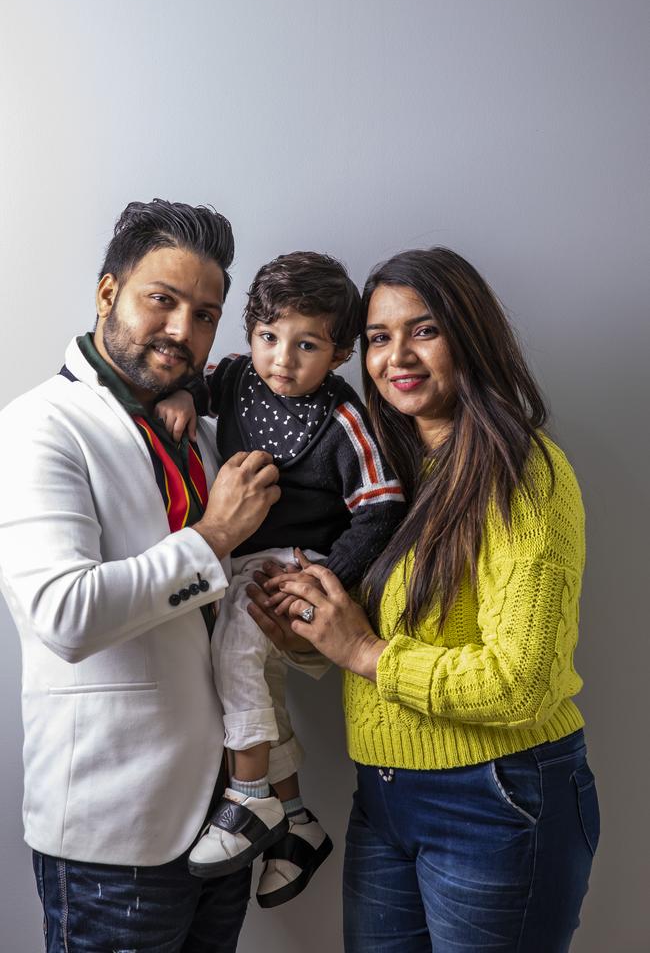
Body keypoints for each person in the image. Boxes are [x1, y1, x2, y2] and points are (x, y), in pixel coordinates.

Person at [249, 247, 600, 953]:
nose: (395, 356)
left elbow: (519, 681)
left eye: (424, 330)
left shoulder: (521, 472)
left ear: (470, 334)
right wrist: (305, 632)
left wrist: (363, 650)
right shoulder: (390, 473)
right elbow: (370, 643)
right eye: (379, 337)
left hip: (498, 798)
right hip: (383, 797)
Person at [0, 199, 286, 952]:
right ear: (107, 294)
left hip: (227, 819)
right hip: (114, 836)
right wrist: (215, 534)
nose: (182, 332)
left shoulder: (211, 436)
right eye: (163, 300)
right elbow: (65, 615)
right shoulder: (37, 426)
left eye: (205, 315)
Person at [155, 251, 405, 907]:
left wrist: (329, 580)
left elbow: (380, 506)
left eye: (306, 345)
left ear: (342, 352)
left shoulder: (344, 418)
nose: (282, 360)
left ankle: (248, 796)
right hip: (237, 555)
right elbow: (197, 385)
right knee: (246, 672)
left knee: (237, 642)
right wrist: (184, 393)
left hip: (301, 562)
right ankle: (295, 823)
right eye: (268, 337)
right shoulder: (235, 377)